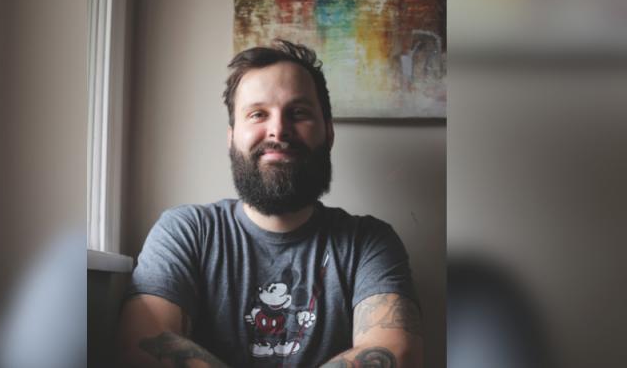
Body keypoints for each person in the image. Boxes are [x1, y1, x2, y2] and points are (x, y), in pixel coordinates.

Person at [116, 40, 423, 367]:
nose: (278, 130)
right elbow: (140, 342)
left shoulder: (369, 242)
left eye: (299, 112)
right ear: (232, 136)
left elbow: (396, 353)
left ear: (328, 133)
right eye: (258, 114)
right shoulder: (185, 232)